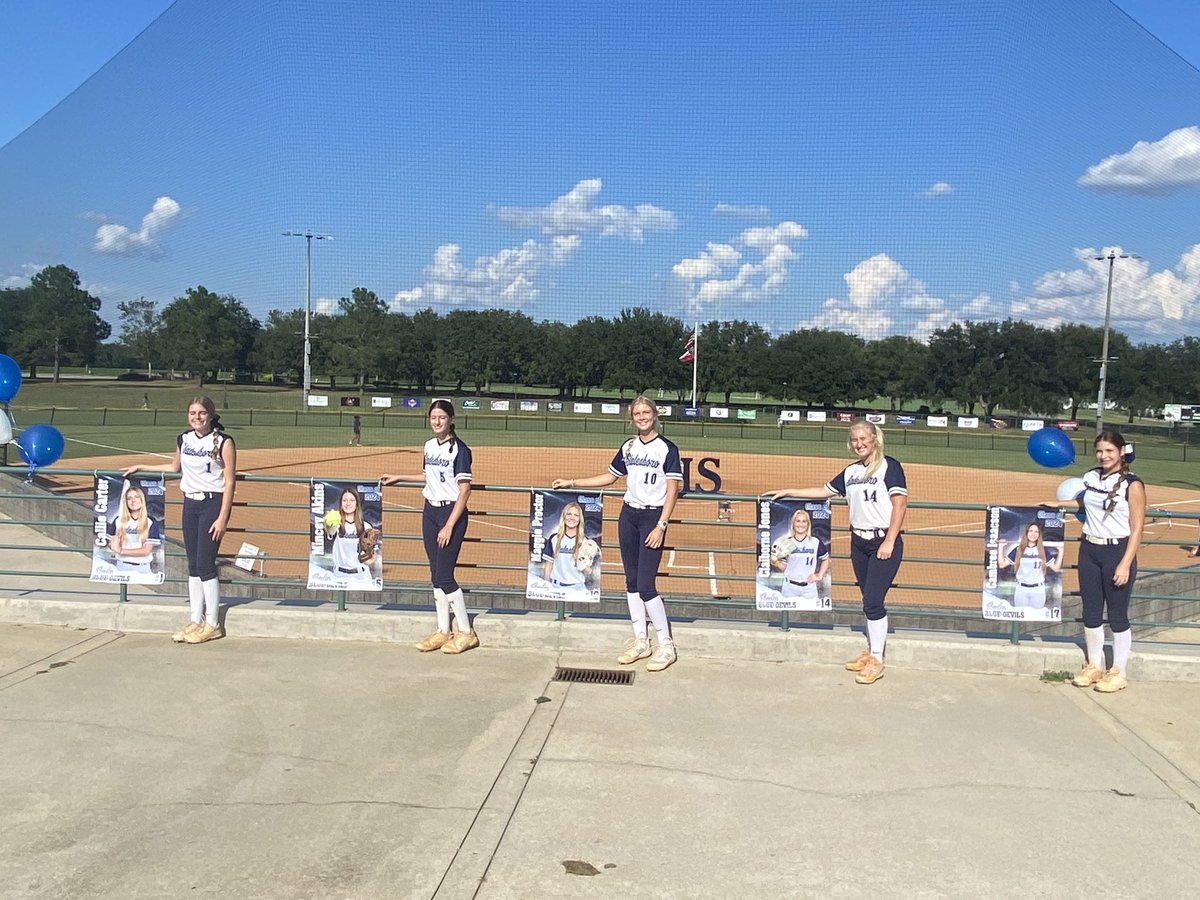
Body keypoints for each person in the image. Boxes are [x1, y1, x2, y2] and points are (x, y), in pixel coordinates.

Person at [771, 419, 908, 685]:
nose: (859, 444)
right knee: (867, 598)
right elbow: (824, 491)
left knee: (873, 601)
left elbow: (900, 504)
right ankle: (871, 650)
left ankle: (877, 660)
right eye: (854, 440)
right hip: (859, 543)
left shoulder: (889, 466)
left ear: (875, 438)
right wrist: (789, 491)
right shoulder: (851, 472)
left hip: (883, 541)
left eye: (863, 438)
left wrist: (889, 541)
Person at [552, 395, 683, 672]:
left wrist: (661, 525)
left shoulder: (668, 449)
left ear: (655, 415)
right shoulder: (628, 446)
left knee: (646, 585)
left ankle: (666, 645)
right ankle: (641, 640)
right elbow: (610, 477)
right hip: (629, 516)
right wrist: (572, 482)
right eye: (637, 414)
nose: (642, 417)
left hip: (652, 517)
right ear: (631, 418)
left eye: (646, 412)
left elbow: (673, 491)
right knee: (632, 582)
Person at [123, 396, 236, 644]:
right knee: (193, 566)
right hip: (190, 504)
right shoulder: (183, 439)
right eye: (193, 413)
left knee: (206, 565)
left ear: (211, 415)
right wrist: (141, 466)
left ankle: (212, 624)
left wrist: (222, 518)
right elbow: (174, 468)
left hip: (212, 504)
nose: (197, 417)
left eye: (202, 413)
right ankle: (195, 620)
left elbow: (229, 482)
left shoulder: (224, 442)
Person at [381, 399, 478, 654]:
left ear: (451, 419)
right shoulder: (428, 445)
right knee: (435, 575)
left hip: (450, 513)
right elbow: (427, 475)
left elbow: (465, 491)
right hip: (430, 512)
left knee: (444, 575)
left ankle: (466, 632)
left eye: (442, 417)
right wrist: (399, 476)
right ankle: (443, 630)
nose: (437, 422)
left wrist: (449, 525)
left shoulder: (460, 450)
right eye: (433, 417)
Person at [1070, 430, 1145, 693]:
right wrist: (1053, 504)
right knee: (1091, 612)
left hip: (1117, 552)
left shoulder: (1133, 485)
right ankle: (1094, 666)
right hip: (1089, 550)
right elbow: (1083, 504)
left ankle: (1119, 671)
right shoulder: (1091, 477)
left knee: (1117, 615)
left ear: (1122, 452)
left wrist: (1125, 563)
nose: (1104, 456)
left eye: (1110, 451)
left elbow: (1137, 528)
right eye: (1100, 451)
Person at [770, 508, 830, 602]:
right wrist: (776, 562)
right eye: (798, 521)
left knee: (810, 611)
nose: (801, 524)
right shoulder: (786, 543)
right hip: (789, 587)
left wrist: (819, 575)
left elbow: (826, 559)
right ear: (793, 523)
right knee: (788, 611)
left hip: (809, 588)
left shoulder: (815, 542)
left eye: (804, 521)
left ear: (808, 524)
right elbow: (786, 568)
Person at [997, 522, 1062, 609]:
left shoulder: (1043, 551)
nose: (1033, 534)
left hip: (1038, 590)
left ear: (1039, 535)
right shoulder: (1018, 550)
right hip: (1021, 589)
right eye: (1031, 531)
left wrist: (1061, 551)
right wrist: (1000, 547)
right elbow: (1002, 564)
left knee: (1036, 616)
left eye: (1036, 532)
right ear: (1026, 533)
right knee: (1021, 614)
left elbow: (1056, 568)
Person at [324, 486, 378, 582]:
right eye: (344, 500)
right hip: (339, 576)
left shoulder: (366, 526)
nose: (348, 503)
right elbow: (330, 531)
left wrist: (368, 559)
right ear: (341, 503)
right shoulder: (336, 523)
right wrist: (330, 522)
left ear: (357, 503)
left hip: (362, 576)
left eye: (352, 500)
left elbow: (373, 554)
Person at [107, 482, 162, 574]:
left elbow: (146, 551)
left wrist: (121, 551)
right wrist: (113, 544)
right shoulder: (118, 520)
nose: (133, 501)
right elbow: (111, 544)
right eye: (129, 498)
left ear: (142, 500)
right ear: (126, 502)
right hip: (121, 566)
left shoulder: (151, 522)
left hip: (143, 568)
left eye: (136, 497)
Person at [542, 501, 593, 591]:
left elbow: (590, 571)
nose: (572, 518)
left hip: (578, 588)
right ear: (564, 517)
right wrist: (546, 585)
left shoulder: (585, 542)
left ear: (580, 519)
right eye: (569, 514)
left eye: (576, 515)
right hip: (556, 587)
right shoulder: (554, 538)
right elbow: (549, 565)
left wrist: (583, 565)